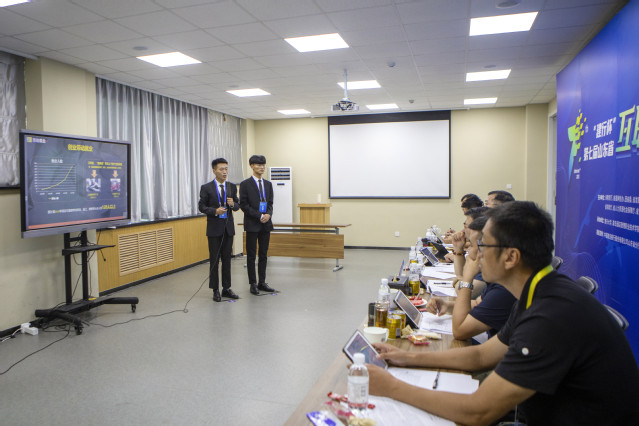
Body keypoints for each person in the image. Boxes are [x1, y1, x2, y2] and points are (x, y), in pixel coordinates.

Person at [368, 202, 639, 425]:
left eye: (483, 246)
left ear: (511, 257)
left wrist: (391, 387)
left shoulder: (551, 315)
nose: (475, 254)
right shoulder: (537, 290)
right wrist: (407, 357)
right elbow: (482, 355)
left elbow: (479, 412)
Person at [426, 215, 516, 342]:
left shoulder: (504, 289)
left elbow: (459, 331)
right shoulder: (500, 279)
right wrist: (447, 306)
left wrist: (466, 279)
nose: (468, 252)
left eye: (472, 246)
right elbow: (478, 304)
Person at [198, 158, 240, 302]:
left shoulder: (231, 187)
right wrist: (215, 211)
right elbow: (201, 207)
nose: (224, 172)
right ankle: (215, 289)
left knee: (227, 260)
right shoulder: (206, 187)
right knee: (214, 260)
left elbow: (237, 206)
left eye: (226, 169)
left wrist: (233, 204)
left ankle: (226, 288)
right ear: (214, 171)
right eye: (221, 169)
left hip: (228, 229)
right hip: (214, 229)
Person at [239, 155, 276, 295]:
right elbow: (244, 205)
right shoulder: (245, 184)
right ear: (252, 166)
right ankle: (253, 283)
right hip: (252, 223)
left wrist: (268, 215)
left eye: (263, 165)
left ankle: (262, 282)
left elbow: (270, 203)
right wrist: (259, 215)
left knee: (264, 254)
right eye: (259, 165)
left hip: (266, 224)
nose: (262, 167)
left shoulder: (268, 184)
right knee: (251, 255)